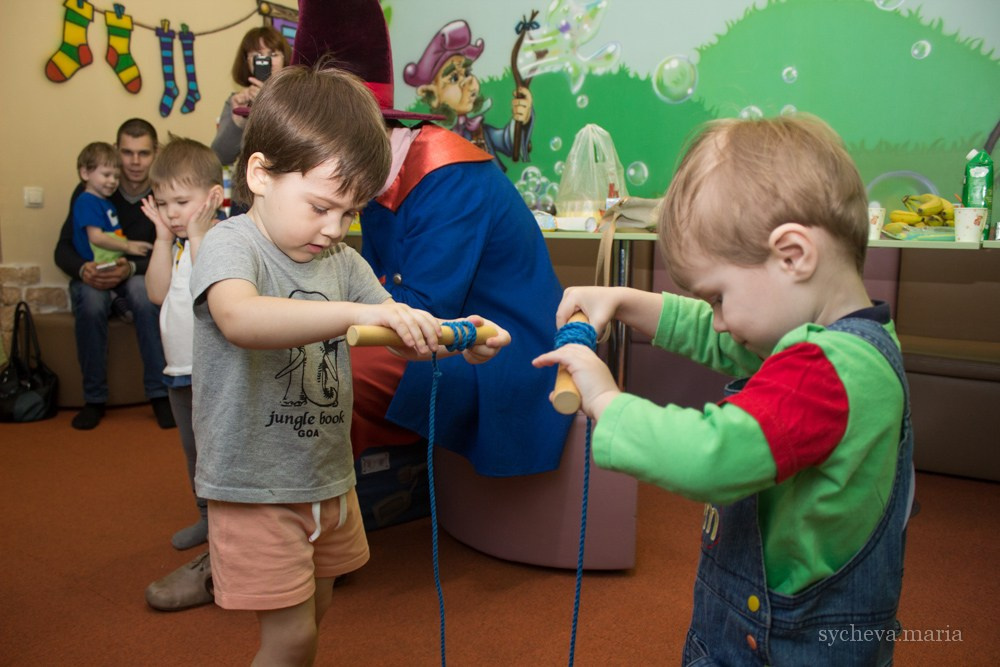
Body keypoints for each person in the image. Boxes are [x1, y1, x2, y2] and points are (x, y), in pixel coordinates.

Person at [533, 114, 913, 664]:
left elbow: (715, 454)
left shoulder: (825, 372)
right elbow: (723, 340)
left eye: (718, 297)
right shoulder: (844, 345)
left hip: (786, 643)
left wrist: (606, 401)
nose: (715, 320)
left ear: (793, 256)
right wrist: (625, 299)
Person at [183, 64, 509, 664]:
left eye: (350, 212)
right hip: (256, 485)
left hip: (329, 478)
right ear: (260, 174)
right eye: (320, 207)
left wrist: (464, 338)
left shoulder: (339, 259)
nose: (334, 228)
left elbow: (400, 329)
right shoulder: (234, 242)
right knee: (292, 636)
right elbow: (241, 319)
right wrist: (343, 316)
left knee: (317, 611)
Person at [294, 0, 573, 475]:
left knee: (324, 373)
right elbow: (375, 283)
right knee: (300, 364)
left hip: (500, 352)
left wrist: (311, 315)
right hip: (430, 332)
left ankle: (314, 520)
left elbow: (422, 310)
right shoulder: (380, 175)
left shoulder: (446, 176)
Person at [54, 118, 175, 431]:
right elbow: (63, 249)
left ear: (156, 153)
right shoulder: (91, 191)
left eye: (143, 153)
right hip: (96, 280)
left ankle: (160, 395)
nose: (135, 162)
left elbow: (173, 251)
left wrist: (131, 266)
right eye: (127, 153)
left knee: (142, 291)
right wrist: (84, 269)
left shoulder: (164, 193)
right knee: (91, 299)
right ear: (116, 151)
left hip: (135, 279)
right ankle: (94, 399)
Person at [141, 137, 224, 552]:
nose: (171, 213)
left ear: (213, 197)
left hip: (212, 370)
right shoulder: (174, 246)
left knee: (217, 453)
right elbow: (156, 294)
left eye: (181, 201)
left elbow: (206, 288)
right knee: (193, 452)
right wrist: (160, 239)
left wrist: (195, 234)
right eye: (162, 203)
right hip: (178, 371)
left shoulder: (221, 239)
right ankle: (207, 519)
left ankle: (228, 526)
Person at [70, 141, 153, 323]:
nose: (112, 182)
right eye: (106, 175)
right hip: (96, 263)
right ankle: (115, 299)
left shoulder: (105, 201)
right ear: (85, 173)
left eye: (116, 177)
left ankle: (117, 298)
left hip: (112, 261)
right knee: (95, 295)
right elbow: (96, 237)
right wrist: (128, 246)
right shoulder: (87, 200)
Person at [209, 25, 291, 166]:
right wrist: (238, 121)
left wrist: (269, 101)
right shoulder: (237, 101)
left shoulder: (300, 97)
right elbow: (219, 157)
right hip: (248, 184)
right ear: (247, 61)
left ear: (285, 58)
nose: (266, 61)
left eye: (273, 55)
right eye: (257, 56)